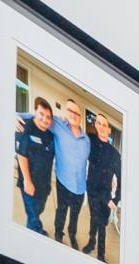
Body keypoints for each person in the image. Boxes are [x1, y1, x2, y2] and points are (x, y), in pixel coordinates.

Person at [43, 98, 92, 247]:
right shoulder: (58, 125)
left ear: (80, 117)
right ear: (65, 112)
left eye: (76, 112)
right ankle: (59, 233)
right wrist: (15, 116)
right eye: (70, 110)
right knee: (62, 210)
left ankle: (72, 235)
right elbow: (37, 117)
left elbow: (90, 161)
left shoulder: (86, 140)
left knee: (75, 215)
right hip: (63, 181)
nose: (73, 114)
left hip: (80, 187)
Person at [13, 96, 57, 235]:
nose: (45, 119)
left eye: (48, 117)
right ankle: (34, 233)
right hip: (29, 183)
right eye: (41, 114)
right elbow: (21, 155)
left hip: (44, 185)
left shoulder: (51, 135)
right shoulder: (25, 127)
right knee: (32, 214)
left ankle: (35, 228)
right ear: (34, 112)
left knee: (38, 210)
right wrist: (27, 181)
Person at [81, 113, 121, 261]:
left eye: (104, 125)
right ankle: (92, 244)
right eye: (99, 123)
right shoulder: (90, 140)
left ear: (109, 130)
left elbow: (122, 177)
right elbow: (73, 133)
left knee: (102, 224)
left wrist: (116, 199)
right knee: (93, 218)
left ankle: (100, 254)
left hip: (105, 194)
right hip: (91, 190)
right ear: (95, 125)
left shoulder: (114, 154)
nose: (101, 127)